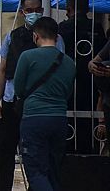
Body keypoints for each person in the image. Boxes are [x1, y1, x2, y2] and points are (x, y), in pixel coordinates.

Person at [0, 0, 64, 191]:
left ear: (42, 10)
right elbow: (2, 70)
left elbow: (61, 69)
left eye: (37, 10)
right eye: (29, 10)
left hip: (40, 104)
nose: (33, 14)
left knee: (39, 155)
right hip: (12, 100)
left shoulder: (55, 39)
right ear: (22, 12)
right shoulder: (12, 37)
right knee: (5, 151)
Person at [15, 16, 76, 191]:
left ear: (35, 36)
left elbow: (19, 90)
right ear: (57, 37)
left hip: (34, 118)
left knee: (36, 172)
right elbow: (68, 93)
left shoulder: (27, 57)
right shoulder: (69, 62)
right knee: (53, 171)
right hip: (59, 119)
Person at [58, 0, 107, 154]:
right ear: (87, 8)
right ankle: (89, 161)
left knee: (68, 130)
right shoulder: (96, 28)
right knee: (89, 131)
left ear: (68, 8)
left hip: (68, 86)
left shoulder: (62, 28)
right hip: (92, 86)